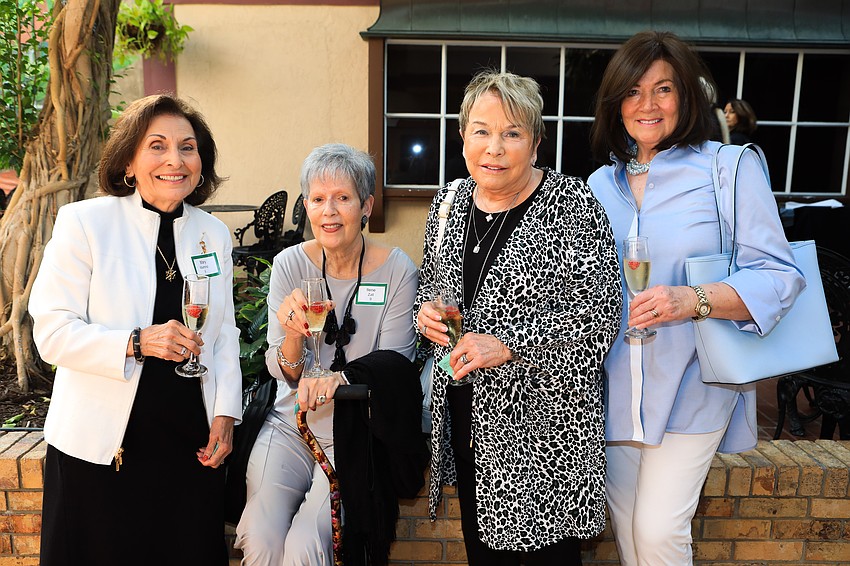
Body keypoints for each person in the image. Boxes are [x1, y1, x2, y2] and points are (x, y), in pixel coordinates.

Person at [588, 31, 804, 566]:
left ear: (686, 96)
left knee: (659, 532)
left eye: (663, 89)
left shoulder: (727, 169)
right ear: (615, 103)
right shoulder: (596, 184)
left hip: (695, 380)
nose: (647, 105)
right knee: (629, 534)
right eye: (633, 91)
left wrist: (692, 299)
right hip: (612, 386)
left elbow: (780, 275)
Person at [416, 70, 622, 565]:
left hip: (544, 432)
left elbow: (601, 316)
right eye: (482, 131)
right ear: (462, 136)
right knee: (482, 555)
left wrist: (512, 345)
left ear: (535, 144)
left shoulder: (573, 206)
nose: (495, 147)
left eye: (512, 133)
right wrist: (426, 315)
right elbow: (432, 285)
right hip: (467, 415)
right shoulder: (447, 204)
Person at [30, 94, 242, 565]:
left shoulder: (213, 233)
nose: (175, 160)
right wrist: (135, 341)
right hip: (102, 447)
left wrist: (225, 414)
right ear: (128, 160)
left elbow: (223, 335)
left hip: (189, 447)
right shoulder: (85, 223)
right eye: (158, 146)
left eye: (188, 148)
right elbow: (52, 331)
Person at [235, 143, 421, 564]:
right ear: (306, 205)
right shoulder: (288, 265)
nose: (329, 211)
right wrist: (293, 334)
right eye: (318, 199)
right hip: (290, 424)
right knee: (261, 536)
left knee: (306, 545)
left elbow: (395, 363)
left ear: (366, 205)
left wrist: (339, 378)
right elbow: (281, 368)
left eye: (343, 198)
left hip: (352, 434)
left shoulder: (397, 270)